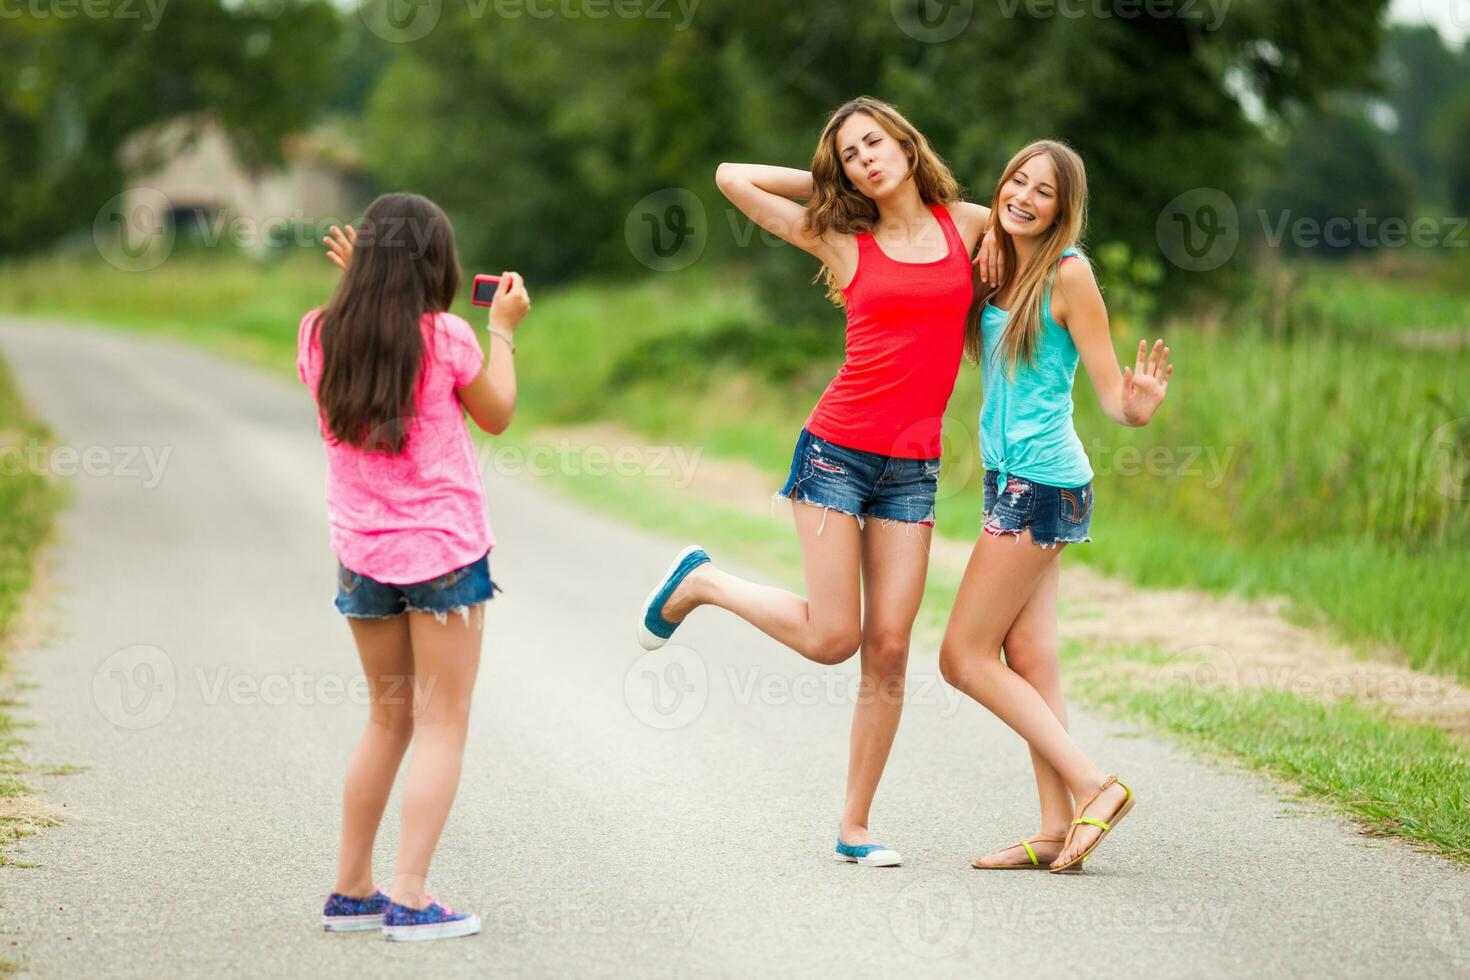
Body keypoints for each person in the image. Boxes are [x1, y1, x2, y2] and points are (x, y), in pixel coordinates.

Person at [636, 97, 1002, 868]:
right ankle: (703, 584)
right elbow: (732, 178)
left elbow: (1041, 244)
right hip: (836, 451)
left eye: (876, 142)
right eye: (851, 155)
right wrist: (828, 183)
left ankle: (856, 825)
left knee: (891, 647)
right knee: (835, 638)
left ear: (906, 141)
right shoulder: (838, 233)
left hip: (914, 469)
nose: (867, 158)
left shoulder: (966, 224)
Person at [937, 140, 1172, 873]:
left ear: (1065, 211)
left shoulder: (1069, 275)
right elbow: (947, 206)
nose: (1024, 198)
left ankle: (1094, 786)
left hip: (1039, 484)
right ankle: (1050, 829)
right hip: (1012, 479)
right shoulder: (997, 254)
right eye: (1016, 181)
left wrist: (1139, 408)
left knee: (962, 657)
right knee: (1030, 657)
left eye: (1045, 192)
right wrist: (996, 232)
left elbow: (1112, 397)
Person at [303, 192, 530, 939]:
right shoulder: (452, 337)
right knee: (441, 721)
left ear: (364, 260)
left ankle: (351, 890)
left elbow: (370, 343)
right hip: (443, 557)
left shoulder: (317, 334)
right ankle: (409, 895)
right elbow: (495, 414)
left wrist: (363, 291)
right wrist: (504, 332)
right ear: (439, 262)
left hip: (362, 558)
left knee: (386, 718)